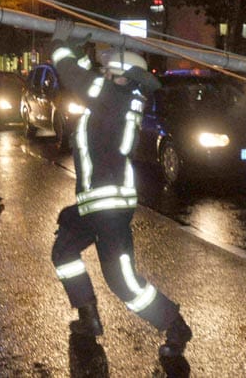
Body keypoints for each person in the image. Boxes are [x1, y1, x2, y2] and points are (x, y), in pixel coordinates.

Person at [48, 21, 193, 359]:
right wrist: (78, 48)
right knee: (63, 252)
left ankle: (174, 323)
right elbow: (89, 78)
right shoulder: (118, 95)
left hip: (108, 207)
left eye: (110, 69)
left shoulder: (111, 97)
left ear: (122, 75)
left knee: (122, 282)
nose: (105, 72)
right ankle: (88, 317)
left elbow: (78, 79)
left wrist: (60, 45)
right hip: (96, 204)